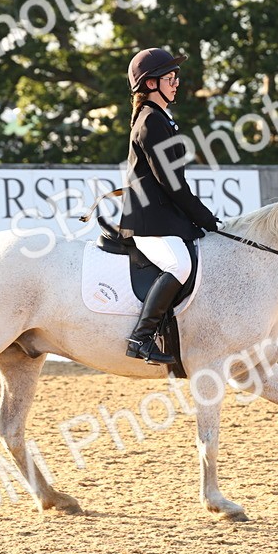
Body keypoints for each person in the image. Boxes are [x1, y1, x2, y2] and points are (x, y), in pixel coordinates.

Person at [120, 47, 222, 364]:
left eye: (176, 76)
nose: (176, 82)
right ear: (150, 84)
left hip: (163, 216)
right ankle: (141, 338)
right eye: (169, 77)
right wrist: (205, 219)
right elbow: (172, 183)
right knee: (179, 264)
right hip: (148, 221)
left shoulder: (161, 118)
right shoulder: (151, 122)